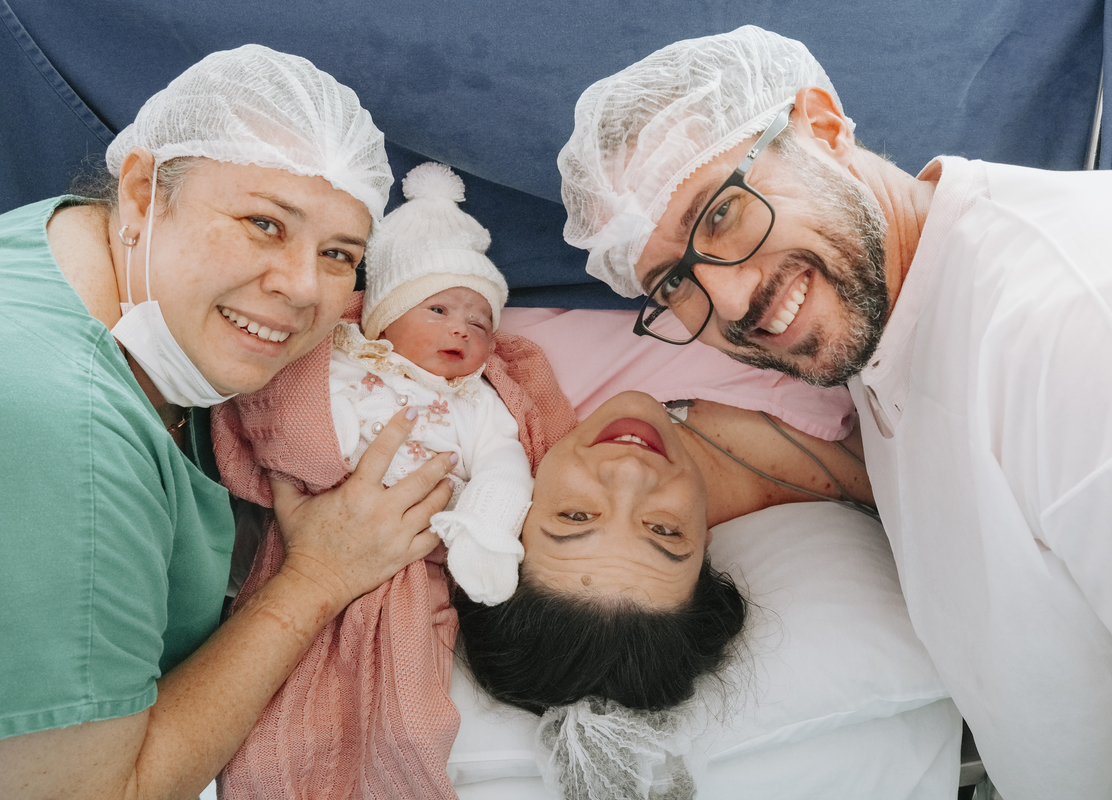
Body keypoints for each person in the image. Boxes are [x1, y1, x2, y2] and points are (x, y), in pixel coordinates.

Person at [554, 24, 1112, 800]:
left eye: (721, 213)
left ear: (823, 126)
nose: (728, 301)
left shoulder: (1091, 333)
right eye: (672, 283)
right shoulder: (891, 322)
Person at [0, 45, 456, 800]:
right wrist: (317, 578)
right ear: (142, 194)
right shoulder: (66, 437)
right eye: (264, 223)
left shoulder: (71, 238)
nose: (303, 288)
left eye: (339, 254)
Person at [454, 307, 875, 797]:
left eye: (576, 516)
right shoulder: (875, 472)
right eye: (662, 530)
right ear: (703, 551)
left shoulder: (494, 385)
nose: (631, 472)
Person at [334, 161, 531, 605]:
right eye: (438, 311)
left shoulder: (475, 400)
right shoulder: (346, 358)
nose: (461, 329)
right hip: (332, 514)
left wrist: (486, 530)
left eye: (479, 324)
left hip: (423, 544)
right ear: (385, 320)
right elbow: (299, 406)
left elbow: (503, 462)